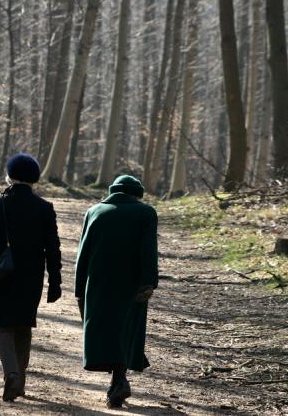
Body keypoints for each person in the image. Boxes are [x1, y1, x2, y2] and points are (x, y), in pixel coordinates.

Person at [0, 153, 63, 402]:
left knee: (3, 326)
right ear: (34, 179)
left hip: (3, 275)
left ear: (9, 176)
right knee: (23, 326)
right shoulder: (45, 208)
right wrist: (55, 281)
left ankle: (11, 374)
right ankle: (20, 382)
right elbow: (53, 248)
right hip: (31, 277)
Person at [74, 175, 159, 409]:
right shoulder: (145, 213)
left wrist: (79, 287)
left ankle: (117, 383)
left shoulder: (93, 211)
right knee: (125, 330)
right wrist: (149, 282)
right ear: (136, 194)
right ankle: (119, 380)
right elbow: (149, 250)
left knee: (104, 330)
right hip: (131, 283)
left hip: (98, 282)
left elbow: (83, 253)